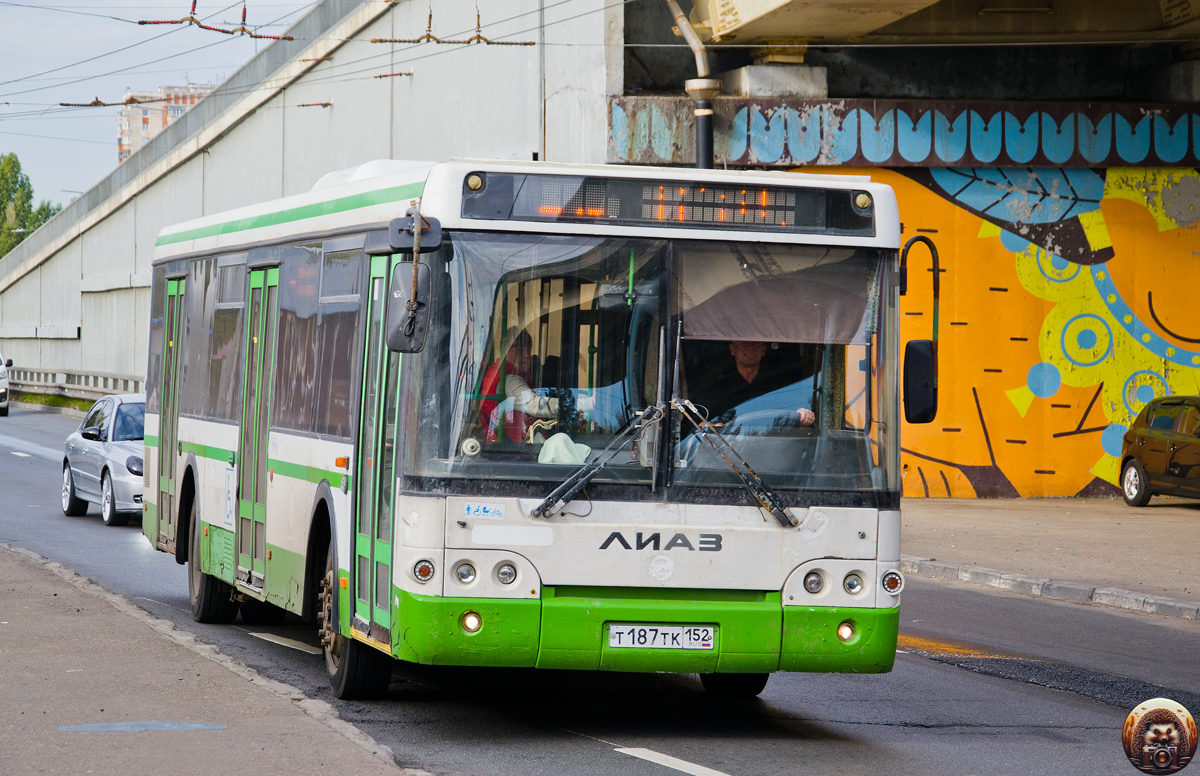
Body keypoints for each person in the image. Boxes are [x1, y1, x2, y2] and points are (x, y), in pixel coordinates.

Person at [480, 329, 594, 442]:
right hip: (514, 449)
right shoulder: (510, 379)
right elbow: (536, 405)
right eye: (519, 351)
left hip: (511, 445)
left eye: (528, 350)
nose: (525, 356)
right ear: (505, 351)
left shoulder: (500, 372)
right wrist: (586, 403)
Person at [689, 341, 815, 427]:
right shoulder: (716, 385)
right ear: (733, 349)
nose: (750, 347)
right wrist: (711, 426)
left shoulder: (780, 382)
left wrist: (804, 413)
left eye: (755, 343)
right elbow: (696, 422)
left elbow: (798, 409)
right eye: (744, 342)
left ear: (763, 350)